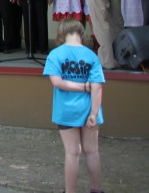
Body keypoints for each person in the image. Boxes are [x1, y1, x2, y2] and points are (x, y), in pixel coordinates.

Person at [43, 19, 105, 193]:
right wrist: (94, 113)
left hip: (66, 110)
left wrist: (81, 87)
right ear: (82, 33)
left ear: (61, 34)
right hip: (89, 107)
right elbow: (97, 86)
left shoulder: (55, 55)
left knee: (72, 153)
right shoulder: (92, 55)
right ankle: (96, 189)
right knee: (92, 151)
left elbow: (57, 82)